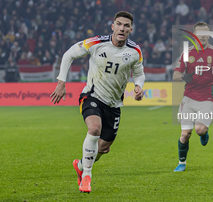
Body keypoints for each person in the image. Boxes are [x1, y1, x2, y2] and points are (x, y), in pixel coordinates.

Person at [50, 11, 145, 193]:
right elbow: (69, 54)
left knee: (104, 148)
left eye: (126, 26)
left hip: (114, 105)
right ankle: (87, 176)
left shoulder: (135, 51)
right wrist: (61, 82)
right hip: (92, 96)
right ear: (113, 26)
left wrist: (139, 87)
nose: (122, 28)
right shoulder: (96, 43)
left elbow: (139, 74)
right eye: (119, 24)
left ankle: (80, 165)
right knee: (94, 129)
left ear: (131, 29)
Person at [173, 22, 213, 172]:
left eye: (205, 34)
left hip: (208, 97)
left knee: (199, 129)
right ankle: (182, 163)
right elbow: (175, 75)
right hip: (188, 98)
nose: (203, 37)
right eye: (199, 34)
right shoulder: (186, 54)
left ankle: (204, 133)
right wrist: (183, 76)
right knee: (185, 134)